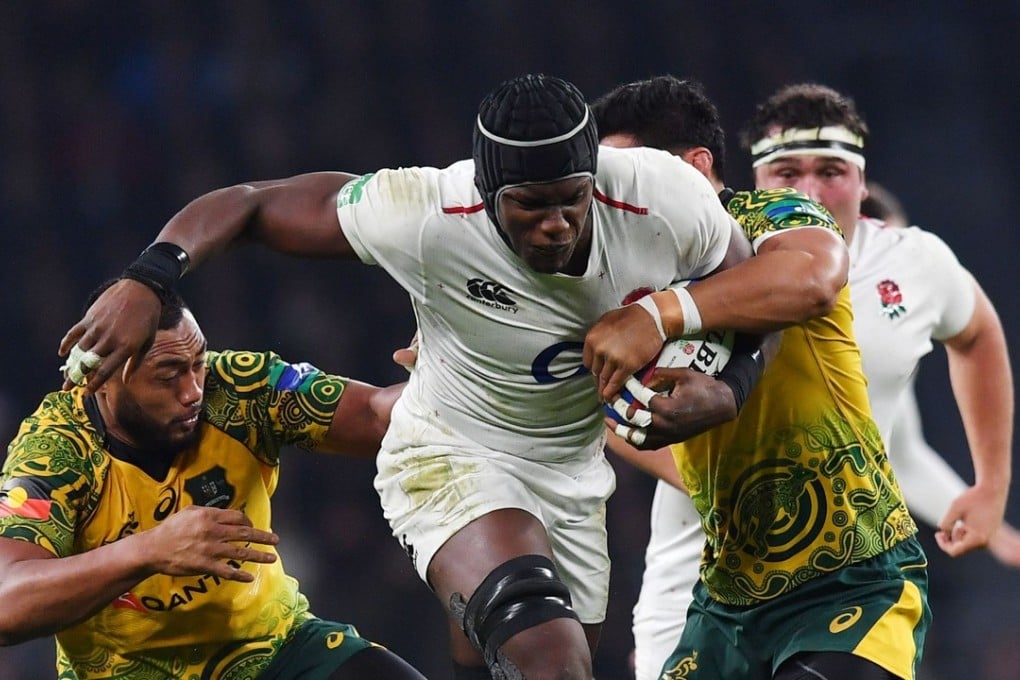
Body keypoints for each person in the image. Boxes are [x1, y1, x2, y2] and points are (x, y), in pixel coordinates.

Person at [57, 73, 857, 679]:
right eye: (529, 207)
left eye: (572, 200)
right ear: (486, 190)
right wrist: (151, 275)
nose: (556, 224)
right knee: (549, 659)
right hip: (450, 450)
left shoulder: (664, 196)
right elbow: (253, 203)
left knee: (529, 656)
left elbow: (754, 305)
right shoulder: (427, 212)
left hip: (571, 474)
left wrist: (728, 389)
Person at [595, 76, 1014, 679]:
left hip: (844, 564)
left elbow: (964, 350)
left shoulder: (897, 261)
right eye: (789, 170)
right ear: (759, 176)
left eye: (832, 170)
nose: (812, 188)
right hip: (702, 581)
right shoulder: (628, 263)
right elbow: (591, 391)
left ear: (863, 181)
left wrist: (989, 487)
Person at [0, 282, 426, 679]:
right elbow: (7, 603)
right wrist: (150, 550)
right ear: (100, 378)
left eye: (198, 364)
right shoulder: (55, 453)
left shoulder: (239, 389)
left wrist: (446, 376)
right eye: (168, 375)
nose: (192, 392)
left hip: (274, 649)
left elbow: (375, 413)